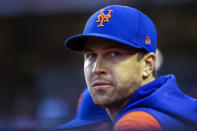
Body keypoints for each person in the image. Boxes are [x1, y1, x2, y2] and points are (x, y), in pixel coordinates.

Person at [64, 5, 197, 131]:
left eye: (114, 53)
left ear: (148, 65)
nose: (96, 69)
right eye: (91, 55)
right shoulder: (176, 107)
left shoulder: (136, 123)